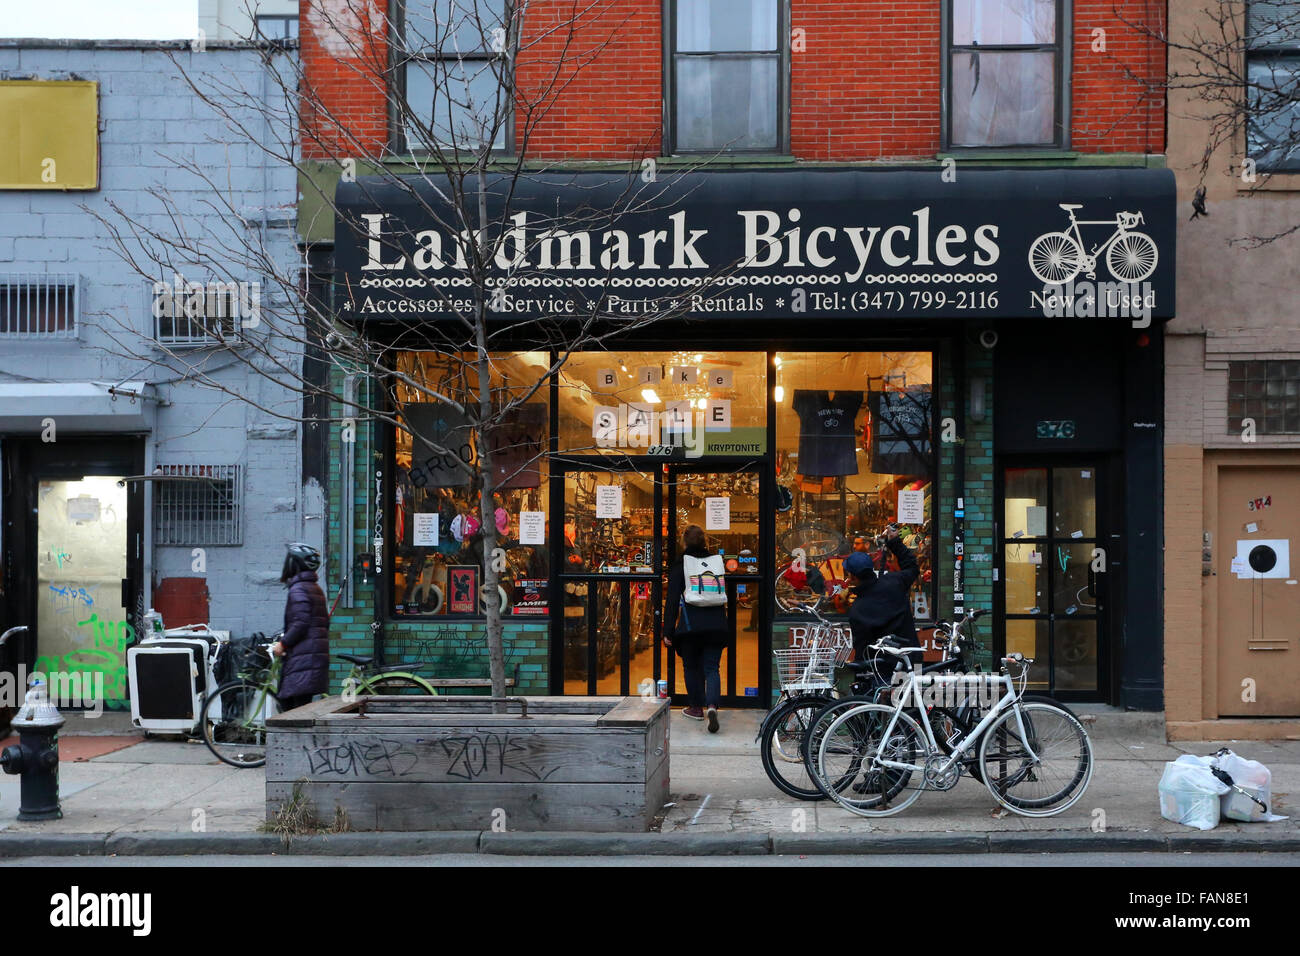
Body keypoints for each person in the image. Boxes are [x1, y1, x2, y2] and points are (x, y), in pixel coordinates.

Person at [663, 525, 727, 732]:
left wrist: (667, 630)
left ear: (684, 542)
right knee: (711, 668)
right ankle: (712, 706)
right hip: (716, 623)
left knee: (691, 667)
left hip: (690, 626)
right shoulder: (716, 562)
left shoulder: (681, 564)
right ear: (704, 541)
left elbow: (672, 599)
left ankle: (696, 708)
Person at [843, 525, 920, 683]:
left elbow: (861, 651)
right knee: (914, 704)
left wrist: (859, 679)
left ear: (852, 577)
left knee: (885, 707)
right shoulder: (894, 582)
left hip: (881, 672)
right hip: (912, 660)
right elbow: (912, 567)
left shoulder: (858, 609)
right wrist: (895, 542)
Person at [270, 542, 330, 712]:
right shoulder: (314, 588)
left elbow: (301, 623)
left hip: (303, 660)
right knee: (297, 709)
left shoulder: (298, 590)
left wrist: (283, 643)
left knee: (292, 711)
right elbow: (324, 623)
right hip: (310, 659)